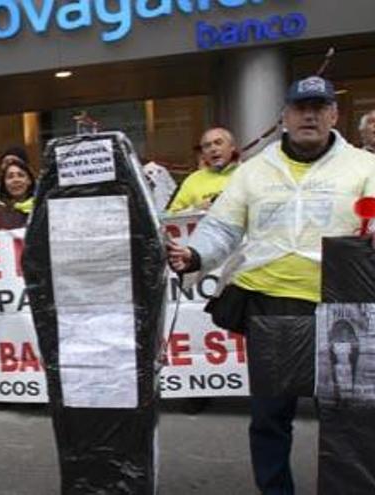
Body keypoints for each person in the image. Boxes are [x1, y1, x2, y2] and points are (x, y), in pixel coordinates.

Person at [167, 76, 375, 495]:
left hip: (345, 308)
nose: (310, 116)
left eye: (319, 107)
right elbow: (222, 227)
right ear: (284, 116)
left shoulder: (365, 167)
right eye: (301, 108)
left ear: (335, 114)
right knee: (269, 416)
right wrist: (194, 256)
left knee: (349, 417)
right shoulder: (255, 172)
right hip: (273, 306)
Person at [167, 128, 241, 213]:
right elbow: (171, 216)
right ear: (203, 153)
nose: (213, 149)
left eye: (218, 143)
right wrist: (195, 210)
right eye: (207, 146)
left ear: (232, 147)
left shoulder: (248, 173)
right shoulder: (193, 180)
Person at [0, 157, 35, 233]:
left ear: (29, 181)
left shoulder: (39, 209)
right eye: (10, 177)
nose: (16, 180)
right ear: (4, 183)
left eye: (21, 175)